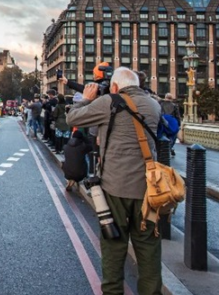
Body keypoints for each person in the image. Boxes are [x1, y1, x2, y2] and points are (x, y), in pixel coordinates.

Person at [66, 66, 163, 295]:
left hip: (115, 187)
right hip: (148, 191)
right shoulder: (154, 105)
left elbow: (72, 117)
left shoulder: (108, 101)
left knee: (113, 248)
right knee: (148, 250)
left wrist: (87, 99)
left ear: (116, 87)